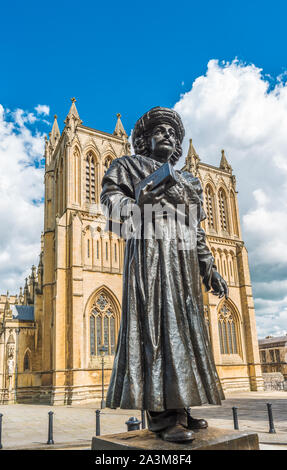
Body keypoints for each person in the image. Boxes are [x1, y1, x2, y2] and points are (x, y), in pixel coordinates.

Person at [100, 107, 228, 442]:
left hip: (183, 264)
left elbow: (196, 230)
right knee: (154, 328)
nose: (168, 136)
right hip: (150, 259)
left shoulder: (188, 180)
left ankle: (182, 407)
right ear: (144, 139)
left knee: (183, 331)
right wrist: (138, 202)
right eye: (160, 130)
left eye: (174, 132)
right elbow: (111, 205)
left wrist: (209, 268)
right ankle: (161, 417)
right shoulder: (126, 166)